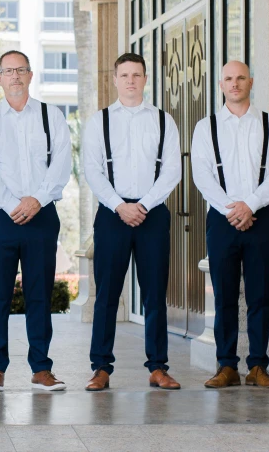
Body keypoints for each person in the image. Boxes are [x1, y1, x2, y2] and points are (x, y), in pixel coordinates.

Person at [82, 52, 182, 391]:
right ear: (114, 78)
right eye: (124, 75)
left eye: (136, 75)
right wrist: (118, 205)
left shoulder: (164, 121)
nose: (130, 81)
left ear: (145, 79)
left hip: (152, 214)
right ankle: (101, 368)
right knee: (107, 294)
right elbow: (92, 170)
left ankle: (158, 367)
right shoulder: (100, 121)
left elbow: (172, 170)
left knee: (154, 294)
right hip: (112, 215)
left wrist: (144, 204)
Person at [0, 50, 72, 392]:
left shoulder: (52, 116)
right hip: (0, 216)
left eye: (21, 70)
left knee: (39, 294)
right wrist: (10, 203)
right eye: (8, 71)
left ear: (31, 75)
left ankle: (41, 368)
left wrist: (37, 200)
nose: (15, 76)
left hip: (42, 214)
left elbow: (62, 164)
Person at [191, 60, 269, 389]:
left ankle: (258, 365)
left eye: (241, 78)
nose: (235, 84)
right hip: (222, 220)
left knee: (261, 295)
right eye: (229, 79)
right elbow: (202, 175)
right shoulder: (206, 127)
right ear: (221, 85)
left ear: (251, 82)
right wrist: (231, 209)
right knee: (224, 295)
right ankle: (226, 365)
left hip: (261, 218)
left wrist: (251, 205)